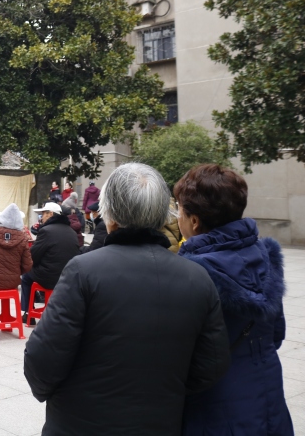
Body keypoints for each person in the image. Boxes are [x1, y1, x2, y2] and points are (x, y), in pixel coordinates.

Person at [23, 162, 231, 434]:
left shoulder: (83, 271)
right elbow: (211, 365)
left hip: (80, 423)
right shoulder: (198, 277)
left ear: (110, 216)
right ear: (162, 216)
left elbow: (42, 359)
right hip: (160, 423)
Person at [175, 164, 293, 435]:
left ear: (194, 221)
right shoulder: (266, 257)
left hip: (214, 407)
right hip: (269, 394)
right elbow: (276, 334)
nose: (177, 216)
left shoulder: (191, 274)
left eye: (179, 209)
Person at [21, 202, 80, 322]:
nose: (41, 217)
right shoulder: (72, 232)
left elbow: (33, 256)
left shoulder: (46, 231)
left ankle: (28, 313)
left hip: (50, 277)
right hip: (68, 276)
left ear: (51, 214)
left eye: (43, 214)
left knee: (26, 276)